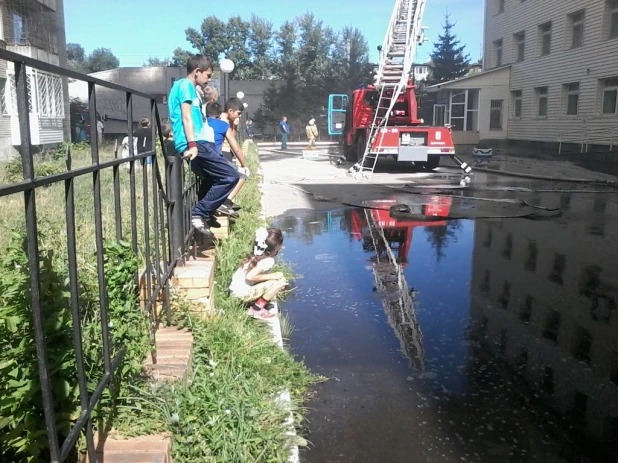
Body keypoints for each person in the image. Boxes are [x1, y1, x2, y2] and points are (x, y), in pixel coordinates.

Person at [168, 54, 239, 239]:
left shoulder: (191, 89)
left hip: (200, 141)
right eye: (207, 75)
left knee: (212, 177)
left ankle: (208, 212)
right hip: (196, 142)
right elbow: (186, 117)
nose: (208, 79)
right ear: (197, 71)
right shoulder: (185, 86)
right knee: (231, 176)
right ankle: (199, 213)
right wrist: (192, 145)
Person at [229, 227, 288, 320]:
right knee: (280, 282)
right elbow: (250, 276)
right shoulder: (268, 260)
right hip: (240, 295)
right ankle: (256, 309)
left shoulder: (257, 254)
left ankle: (252, 303)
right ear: (277, 246)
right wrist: (273, 276)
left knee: (273, 280)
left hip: (234, 292)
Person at [205, 100, 249, 212]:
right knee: (240, 174)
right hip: (219, 156)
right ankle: (225, 202)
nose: (239, 116)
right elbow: (236, 147)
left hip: (205, 156)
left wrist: (234, 126)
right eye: (238, 113)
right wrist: (245, 165)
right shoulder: (222, 123)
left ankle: (224, 202)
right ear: (230, 111)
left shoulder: (204, 123)